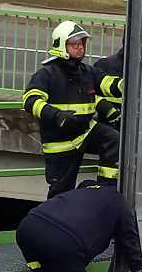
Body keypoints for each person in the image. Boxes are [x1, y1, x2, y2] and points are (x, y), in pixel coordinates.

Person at [0, 181, 142, 272]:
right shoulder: (118, 202)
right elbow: (129, 241)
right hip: (64, 241)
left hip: (27, 228)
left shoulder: (78, 194)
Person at [23, 20, 118, 197]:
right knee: (60, 194)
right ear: (61, 45)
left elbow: (108, 85)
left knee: (112, 139)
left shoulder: (87, 71)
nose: (80, 47)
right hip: (60, 143)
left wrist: (130, 83)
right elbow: (30, 100)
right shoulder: (47, 74)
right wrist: (57, 116)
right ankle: (53, 222)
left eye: (82, 43)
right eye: (75, 44)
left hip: (84, 133)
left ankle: (106, 190)